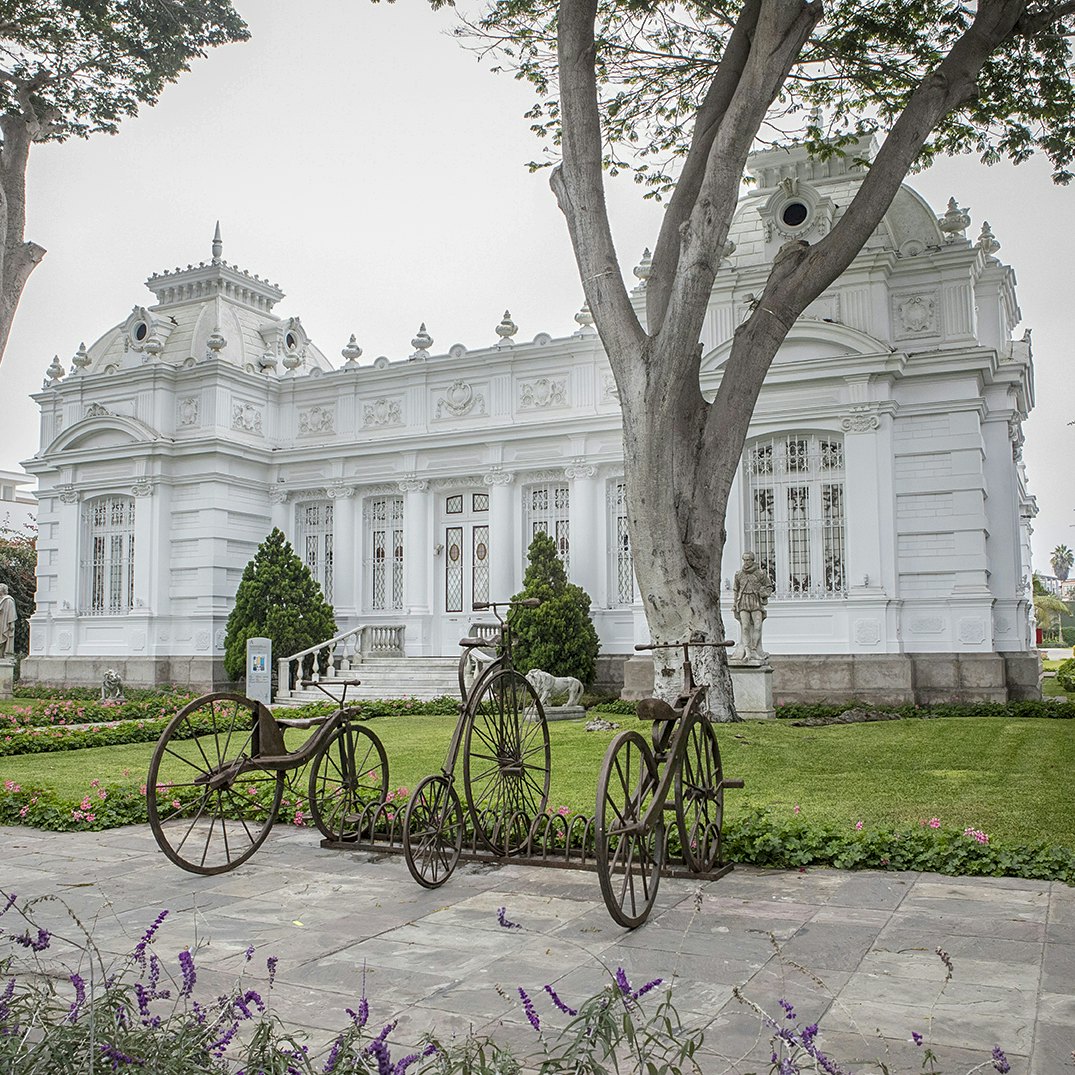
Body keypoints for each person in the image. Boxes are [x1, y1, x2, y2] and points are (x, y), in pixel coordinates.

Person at [731, 552, 773, 664]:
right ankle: (747, 651)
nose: (746, 562)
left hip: (756, 601)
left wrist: (764, 593)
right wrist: (735, 603)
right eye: (744, 560)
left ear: (753, 560)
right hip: (743, 601)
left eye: (748, 560)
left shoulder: (760, 573)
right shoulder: (739, 574)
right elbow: (735, 589)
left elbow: (769, 587)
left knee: (757, 626)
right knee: (745, 627)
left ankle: (754, 649)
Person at [0, 583, 17, 658]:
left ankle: (4, 655)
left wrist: (12, 623)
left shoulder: (9, 600)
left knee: (4, 638)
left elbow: (11, 612)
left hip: (5, 622)